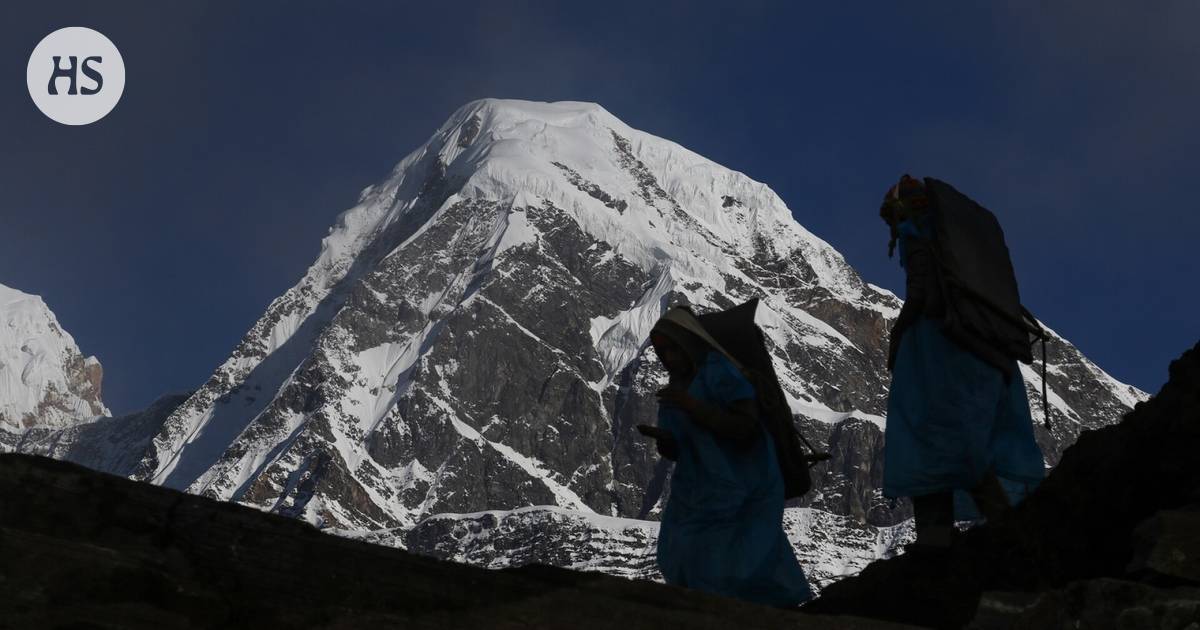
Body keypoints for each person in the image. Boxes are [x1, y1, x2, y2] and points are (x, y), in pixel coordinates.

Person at [879, 175, 1045, 550]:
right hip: (980, 349)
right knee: (972, 443)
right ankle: (1006, 527)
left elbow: (921, 292)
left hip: (935, 352)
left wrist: (899, 334)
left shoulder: (915, 235)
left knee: (930, 440)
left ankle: (935, 539)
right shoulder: (957, 251)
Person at [637, 306, 814, 607]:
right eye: (661, 351)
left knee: (745, 550)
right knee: (686, 548)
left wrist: (693, 407)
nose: (668, 358)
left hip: (742, 480)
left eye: (673, 349)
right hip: (697, 488)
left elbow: (745, 426)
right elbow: (678, 448)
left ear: (687, 344)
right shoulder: (675, 390)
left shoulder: (719, 371)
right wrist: (665, 439)